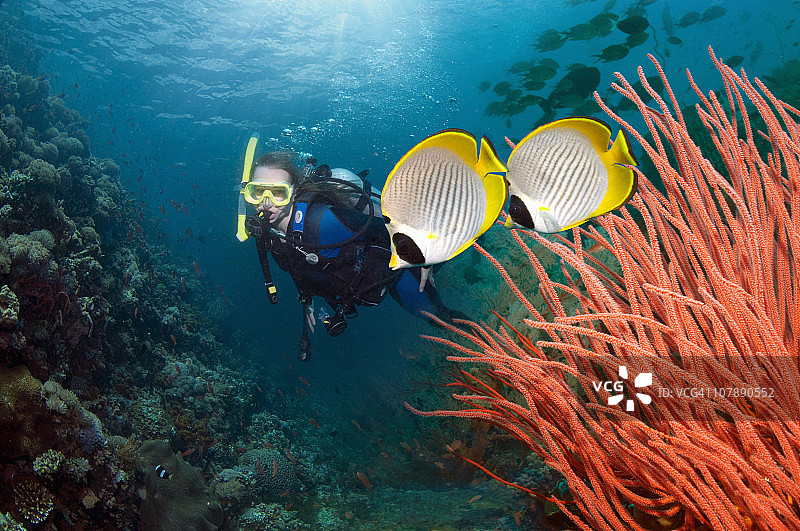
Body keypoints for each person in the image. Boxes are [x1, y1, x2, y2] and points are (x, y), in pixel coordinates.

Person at [238, 148, 467, 361]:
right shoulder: (269, 234)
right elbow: (298, 264)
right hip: (361, 286)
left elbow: (385, 231)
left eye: (278, 193)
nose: (266, 203)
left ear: (294, 191)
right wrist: (307, 300)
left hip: (396, 273)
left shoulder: (323, 221)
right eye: (258, 192)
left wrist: (426, 257)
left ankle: (475, 231)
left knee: (440, 318)